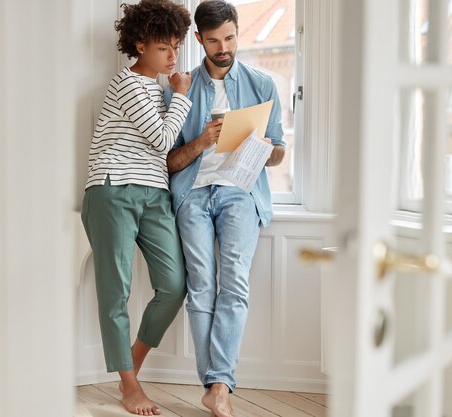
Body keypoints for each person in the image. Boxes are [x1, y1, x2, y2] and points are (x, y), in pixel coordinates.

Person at [165, 1, 286, 416]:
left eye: (230, 38)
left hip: (241, 192)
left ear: (238, 33)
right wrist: (201, 141)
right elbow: (168, 162)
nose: (224, 48)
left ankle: (219, 387)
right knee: (201, 288)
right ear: (199, 39)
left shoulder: (263, 84)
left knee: (234, 285)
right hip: (193, 194)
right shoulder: (179, 89)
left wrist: (266, 150)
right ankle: (214, 385)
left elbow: (280, 152)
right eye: (214, 40)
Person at [81, 1, 192, 415]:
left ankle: (132, 364)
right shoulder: (127, 84)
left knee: (175, 284)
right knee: (116, 292)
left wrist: (173, 93)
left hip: (154, 194)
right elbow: (162, 139)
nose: (172, 57)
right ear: (140, 44)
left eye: (176, 48)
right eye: (165, 48)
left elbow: (159, 148)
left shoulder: (159, 88)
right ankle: (129, 387)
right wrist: (181, 94)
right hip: (113, 189)